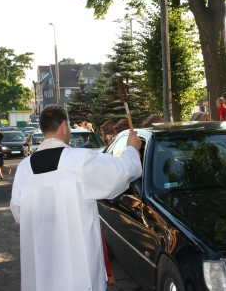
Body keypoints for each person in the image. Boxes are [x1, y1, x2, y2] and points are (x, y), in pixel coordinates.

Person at [10, 105, 142, 291]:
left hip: (42, 269)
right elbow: (120, 172)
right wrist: (131, 149)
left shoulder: (24, 169)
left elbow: (18, 213)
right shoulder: (79, 161)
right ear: (64, 126)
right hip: (78, 273)